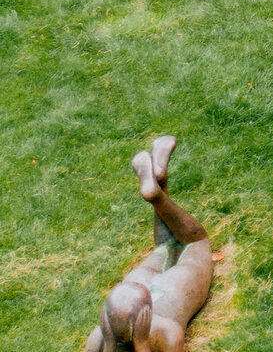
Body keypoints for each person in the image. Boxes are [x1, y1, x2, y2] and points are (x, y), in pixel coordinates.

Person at [85, 136, 213, 352]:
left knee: (168, 245)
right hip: (157, 287)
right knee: (193, 241)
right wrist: (142, 342)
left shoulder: (97, 338)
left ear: (106, 318)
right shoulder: (166, 330)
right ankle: (157, 192)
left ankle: (159, 184)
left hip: (161, 291)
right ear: (145, 317)